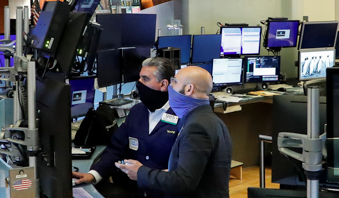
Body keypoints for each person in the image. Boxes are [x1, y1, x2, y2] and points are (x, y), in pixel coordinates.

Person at [116, 66, 233, 198]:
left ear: (189, 89)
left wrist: (140, 172)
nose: (169, 87)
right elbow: (194, 170)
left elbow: (184, 181)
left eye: (175, 82)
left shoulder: (196, 127)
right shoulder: (211, 120)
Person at [72, 57, 180, 198]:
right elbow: (116, 148)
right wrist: (94, 174)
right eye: (139, 78)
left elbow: (184, 171)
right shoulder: (137, 112)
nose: (139, 83)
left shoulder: (181, 116)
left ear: (163, 84)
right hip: (137, 192)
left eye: (145, 79)